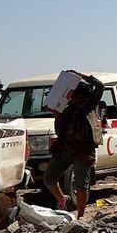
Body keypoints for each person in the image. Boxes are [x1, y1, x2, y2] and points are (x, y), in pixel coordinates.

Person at [45, 71, 104, 219]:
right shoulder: (67, 109)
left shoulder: (89, 106)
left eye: (78, 96)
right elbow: (60, 131)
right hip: (65, 149)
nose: (75, 99)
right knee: (49, 179)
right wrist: (57, 117)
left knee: (81, 186)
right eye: (74, 96)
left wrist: (80, 75)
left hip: (83, 152)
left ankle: (80, 217)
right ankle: (62, 199)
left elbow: (100, 86)